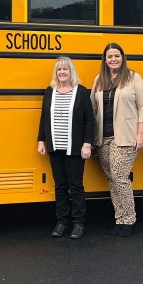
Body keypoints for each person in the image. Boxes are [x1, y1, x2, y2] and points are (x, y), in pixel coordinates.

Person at [90, 43, 143, 237]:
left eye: (117, 55)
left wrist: (141, 133)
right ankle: (120, 218)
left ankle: (129, 219)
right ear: (105, 60)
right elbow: (93, 109)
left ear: (123, 58)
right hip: (103, 138)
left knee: (120, 177)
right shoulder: (100, 80)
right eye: (109, 57)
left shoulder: (133, 78)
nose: (113, 59)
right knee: (112, 179)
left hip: (125, 137)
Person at [37, 57, 95, 240]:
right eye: (59, 70)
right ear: (56, 73)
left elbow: (89, 120)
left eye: (65, 69)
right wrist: (41, 141)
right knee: (60, 187)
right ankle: (62, 222)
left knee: (75, 186)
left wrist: (87, 144)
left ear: (71, 72)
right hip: (55, 147)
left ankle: (78, 223)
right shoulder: (49, 92)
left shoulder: (82, 92)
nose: (62, 72)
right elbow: (43, 118)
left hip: (75, 148)